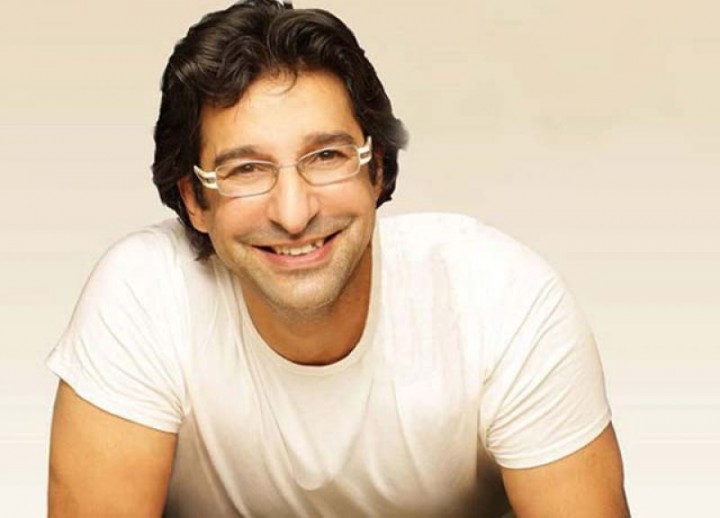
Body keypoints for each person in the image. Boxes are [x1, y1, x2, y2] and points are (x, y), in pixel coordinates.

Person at [47, 1, 629, 516]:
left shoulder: (501, 301)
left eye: (326, 156)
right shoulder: (145, 296)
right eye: (245, 169)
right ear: (196, 201)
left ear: (377, 170)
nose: (294, 213)